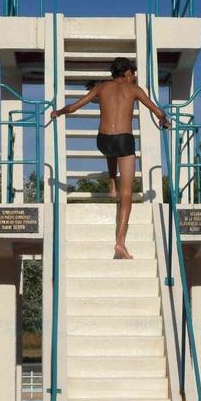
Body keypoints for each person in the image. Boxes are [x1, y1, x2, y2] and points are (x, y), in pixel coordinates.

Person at [51, 57, 169, 259]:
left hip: (103, 141)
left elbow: (73, 107)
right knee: (127, 193)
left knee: (111, 149)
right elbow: (157, 111)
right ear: (127, 74)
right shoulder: (134, 89)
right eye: (132, 73)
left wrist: (58, 112)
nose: (133, 77)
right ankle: (120, 243)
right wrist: (164, 121)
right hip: (124, 141)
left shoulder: (101, 87)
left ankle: (112, 183)